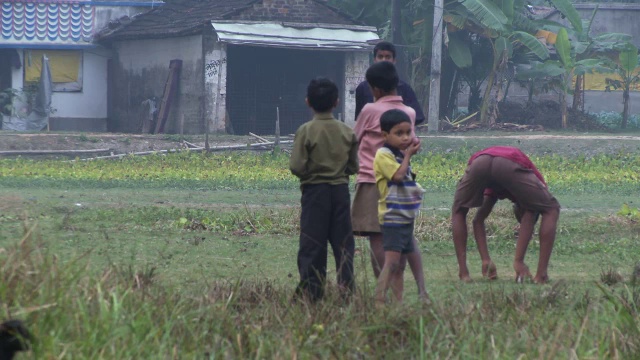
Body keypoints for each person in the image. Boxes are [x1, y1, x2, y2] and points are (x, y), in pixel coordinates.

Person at [352, 61, 428, 299]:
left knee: (378, 236)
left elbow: (353, 139)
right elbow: (412, 144)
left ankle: (383, 288)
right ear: (397, 84)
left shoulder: (369, 110)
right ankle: (402, 289)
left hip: (370, 180)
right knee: (403, 236)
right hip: (402, 184)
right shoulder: (410, 112)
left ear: (374, 89)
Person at [290, 77, 359, 302]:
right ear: (337, 102)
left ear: (308, 102)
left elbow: (297, 166)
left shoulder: (306, 131)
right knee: (343, 244)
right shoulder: (346, 131)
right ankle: (346, 291)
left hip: (314, 193)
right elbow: (354, 166)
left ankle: (312, 292)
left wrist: (312, 173)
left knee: (312, 243)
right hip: (340, 192)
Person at [451, 146, 561, 284]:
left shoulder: (498, 187)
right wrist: (518, 261)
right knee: (551, 208)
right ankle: (541, 275)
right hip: (509, 163)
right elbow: (530, 214)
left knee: (459, 210)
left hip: (480, 161)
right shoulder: (533, 181)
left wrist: (486, 260)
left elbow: (478, 220)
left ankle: (464, 273)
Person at [373, 109, 427, 304]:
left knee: (401, 264)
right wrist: (408, 156)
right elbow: (396, 176)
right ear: (385, 135)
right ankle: (379, 299)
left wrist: (407, 154)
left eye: (408, 132)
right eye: (399, 133)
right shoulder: (383, 155)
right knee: (392, 261)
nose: (405, 137)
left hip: (404, 215)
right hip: (392, 216)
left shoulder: (399, 153)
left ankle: (398, 302)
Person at [355, 41, 425, 125]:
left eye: (388, 57)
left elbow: (417, 117)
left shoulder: (404, 88)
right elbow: (360, 119)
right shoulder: (362, 88)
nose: (384, 60)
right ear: (374, 59)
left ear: (394, 60)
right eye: (380, 57)